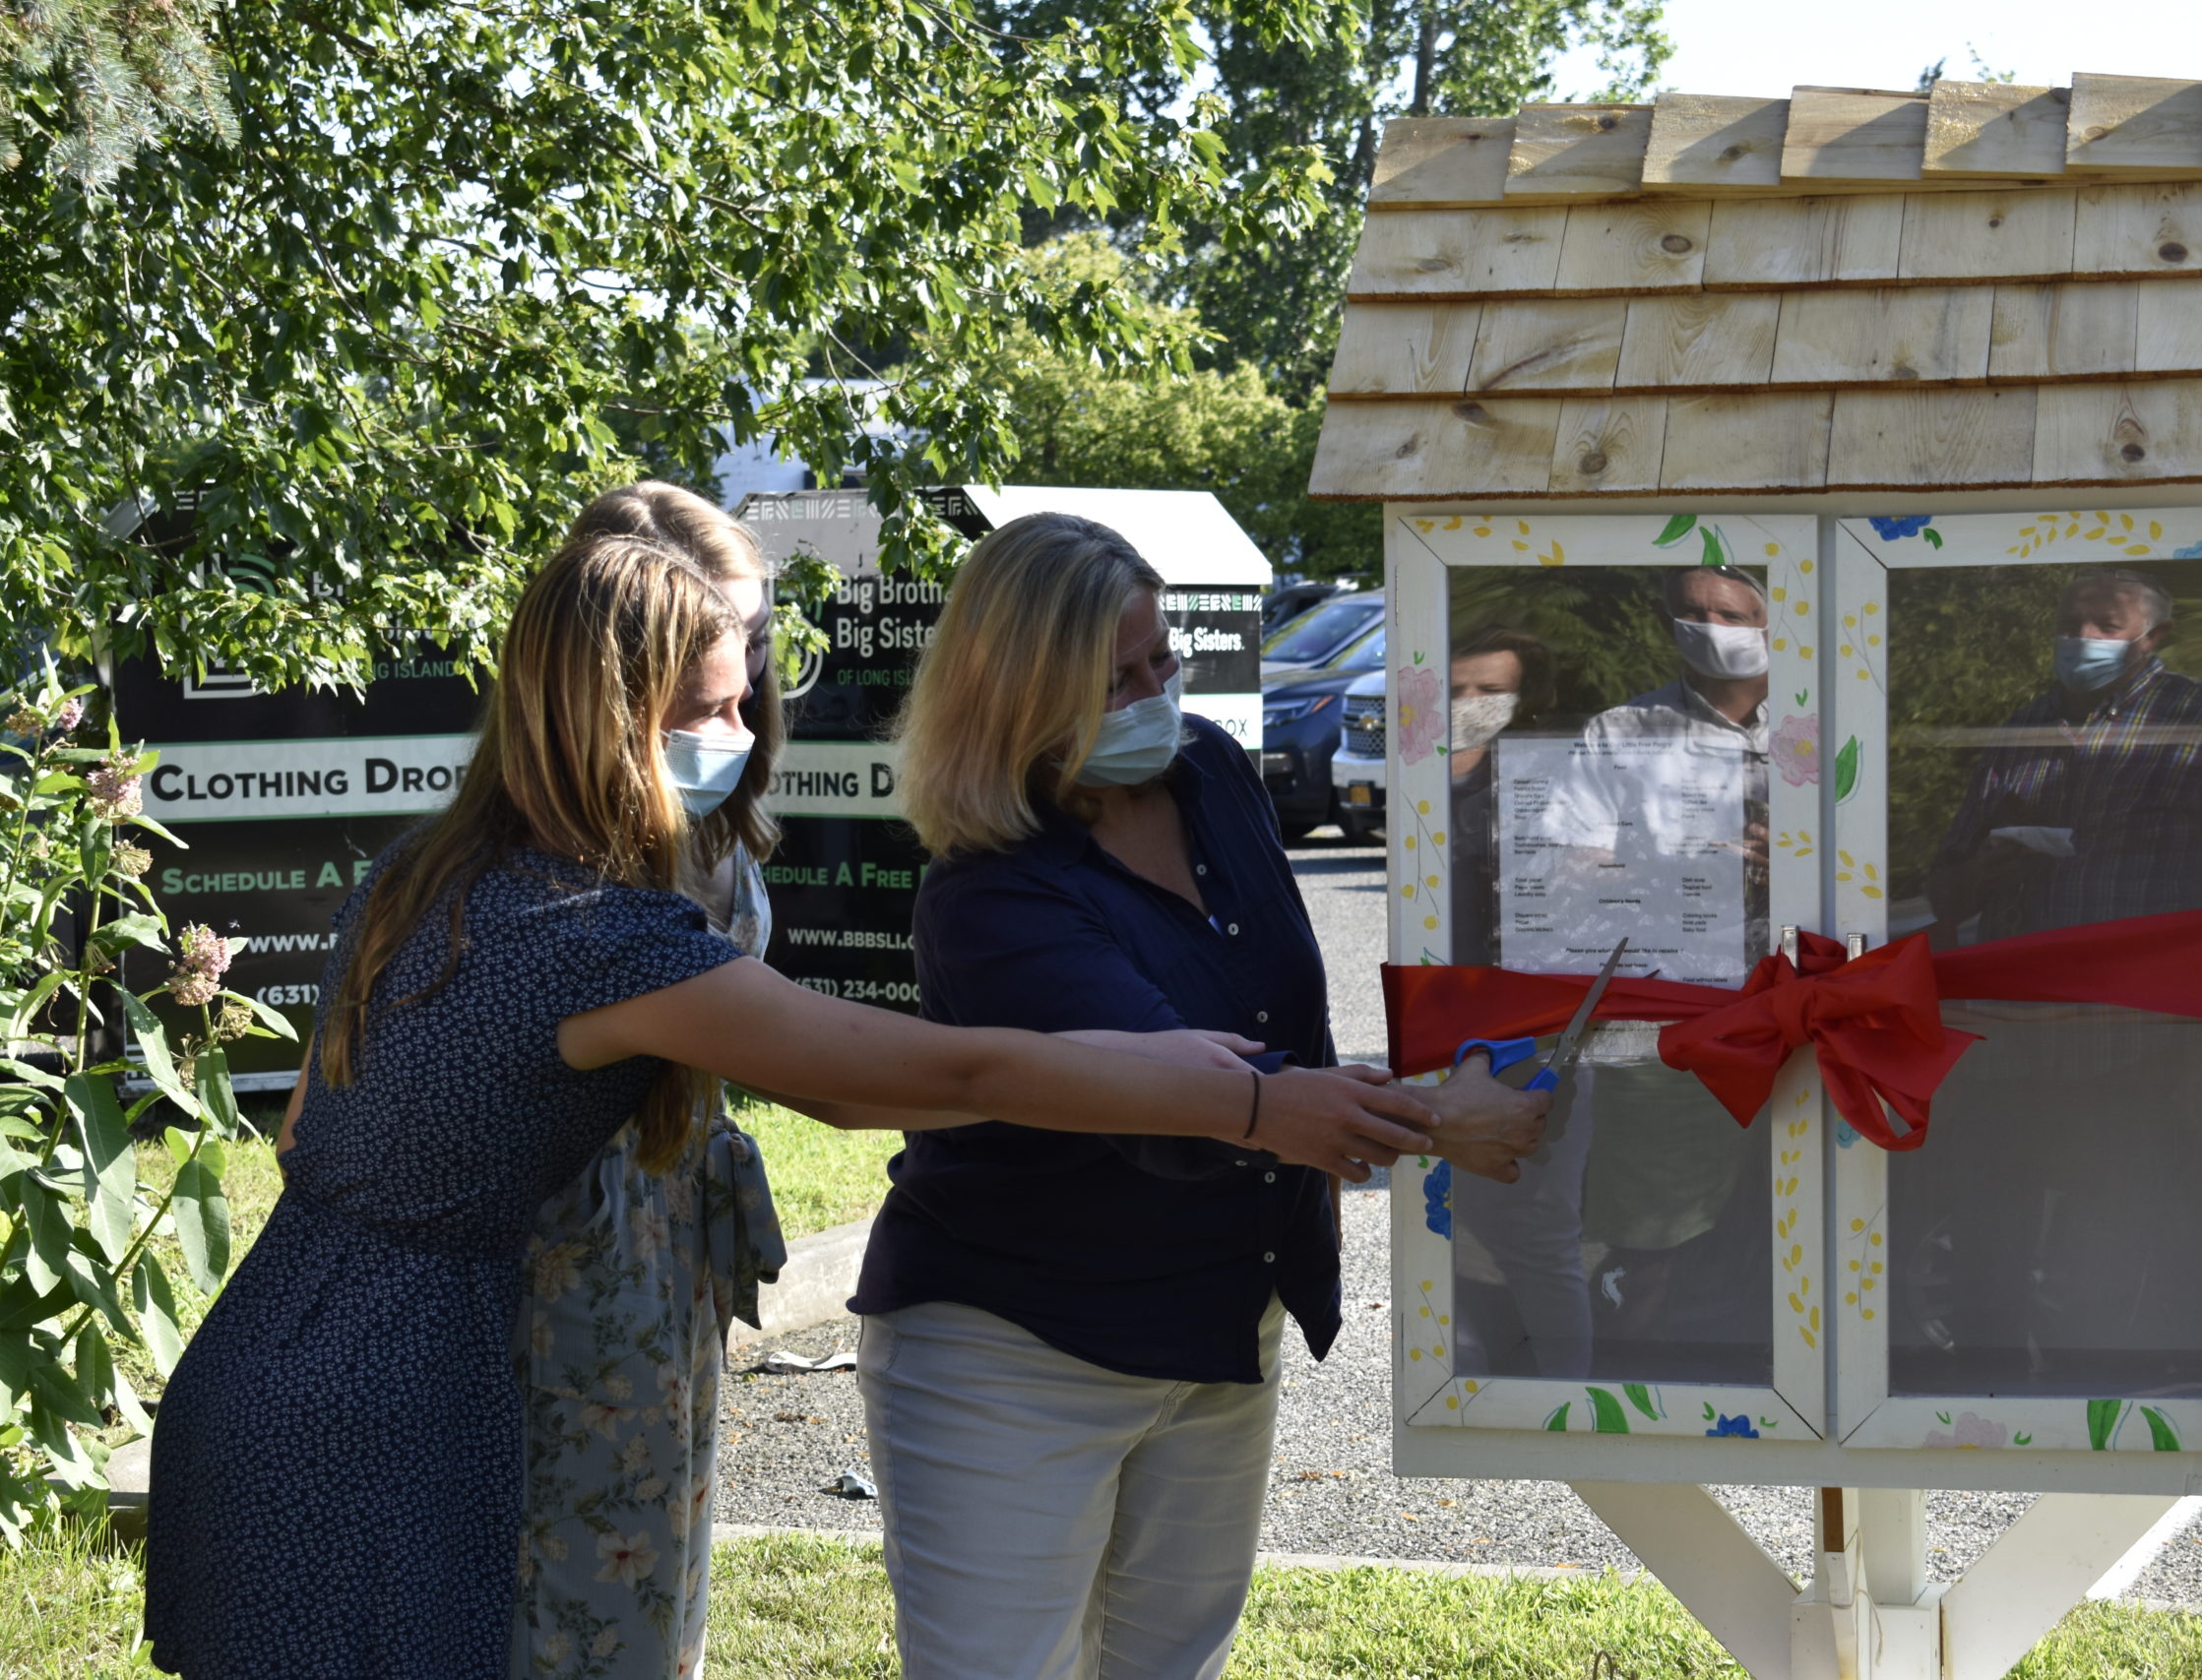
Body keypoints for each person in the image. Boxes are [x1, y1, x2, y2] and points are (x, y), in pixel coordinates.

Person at [142, 534, 1439, 1680]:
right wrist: (1247, 1104)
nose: (739, 730)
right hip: (388, 1404)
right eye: (707, 707)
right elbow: (933, 1073)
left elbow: (306, 1127)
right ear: (613, 714)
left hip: (274, 1350)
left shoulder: (421, 867)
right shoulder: (604, 934)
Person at [852, 512, 1548, 1679]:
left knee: (1173, 1661)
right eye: (1112, 679)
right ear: (1015, 695)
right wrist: (1428, 1119)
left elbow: (1283, 1022)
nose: (1151, 694)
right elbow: (1191, 1095)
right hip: (1018, 1350)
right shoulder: (987, 899)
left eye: (1161, 661)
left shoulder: (1213, 776)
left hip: (1221, 1322)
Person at [508, 482, 786, 1680]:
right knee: (581, 1578)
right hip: (578, 1247)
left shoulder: (707, 813)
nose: (739, 693)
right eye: (707, 662)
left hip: (672, 1234)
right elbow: (836, 1073)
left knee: (661, 1567)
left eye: (750, 643)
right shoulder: (561, 875)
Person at [1525, 564, 1773, 1379]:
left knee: (1782, 1234)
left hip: (1809, 1014)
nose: (1709, 627)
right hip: (1672, 1025)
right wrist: (1683, 863)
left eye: (1730, 612)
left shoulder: (1824, 722)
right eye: (1690, 612)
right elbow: (1563, 872)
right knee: (1655, 1245)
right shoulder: (1622, 732)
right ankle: (1640, 1404)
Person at [1926, 568, 2202, 946]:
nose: (2083, 638)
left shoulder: (2201, 719)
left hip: (2147, 986)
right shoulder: (2024, 727)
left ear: (2154, 638)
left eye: (2107, 626)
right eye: (2069, 624)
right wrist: (1988, 867)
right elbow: (1946, 899)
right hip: (2022, 987)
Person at [1444, 626, 1555, 966]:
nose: (1469, 701)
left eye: (1491, 691)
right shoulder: (1417, 771)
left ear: (1524, 699)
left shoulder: (1541, 774)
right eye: (1455, 689)